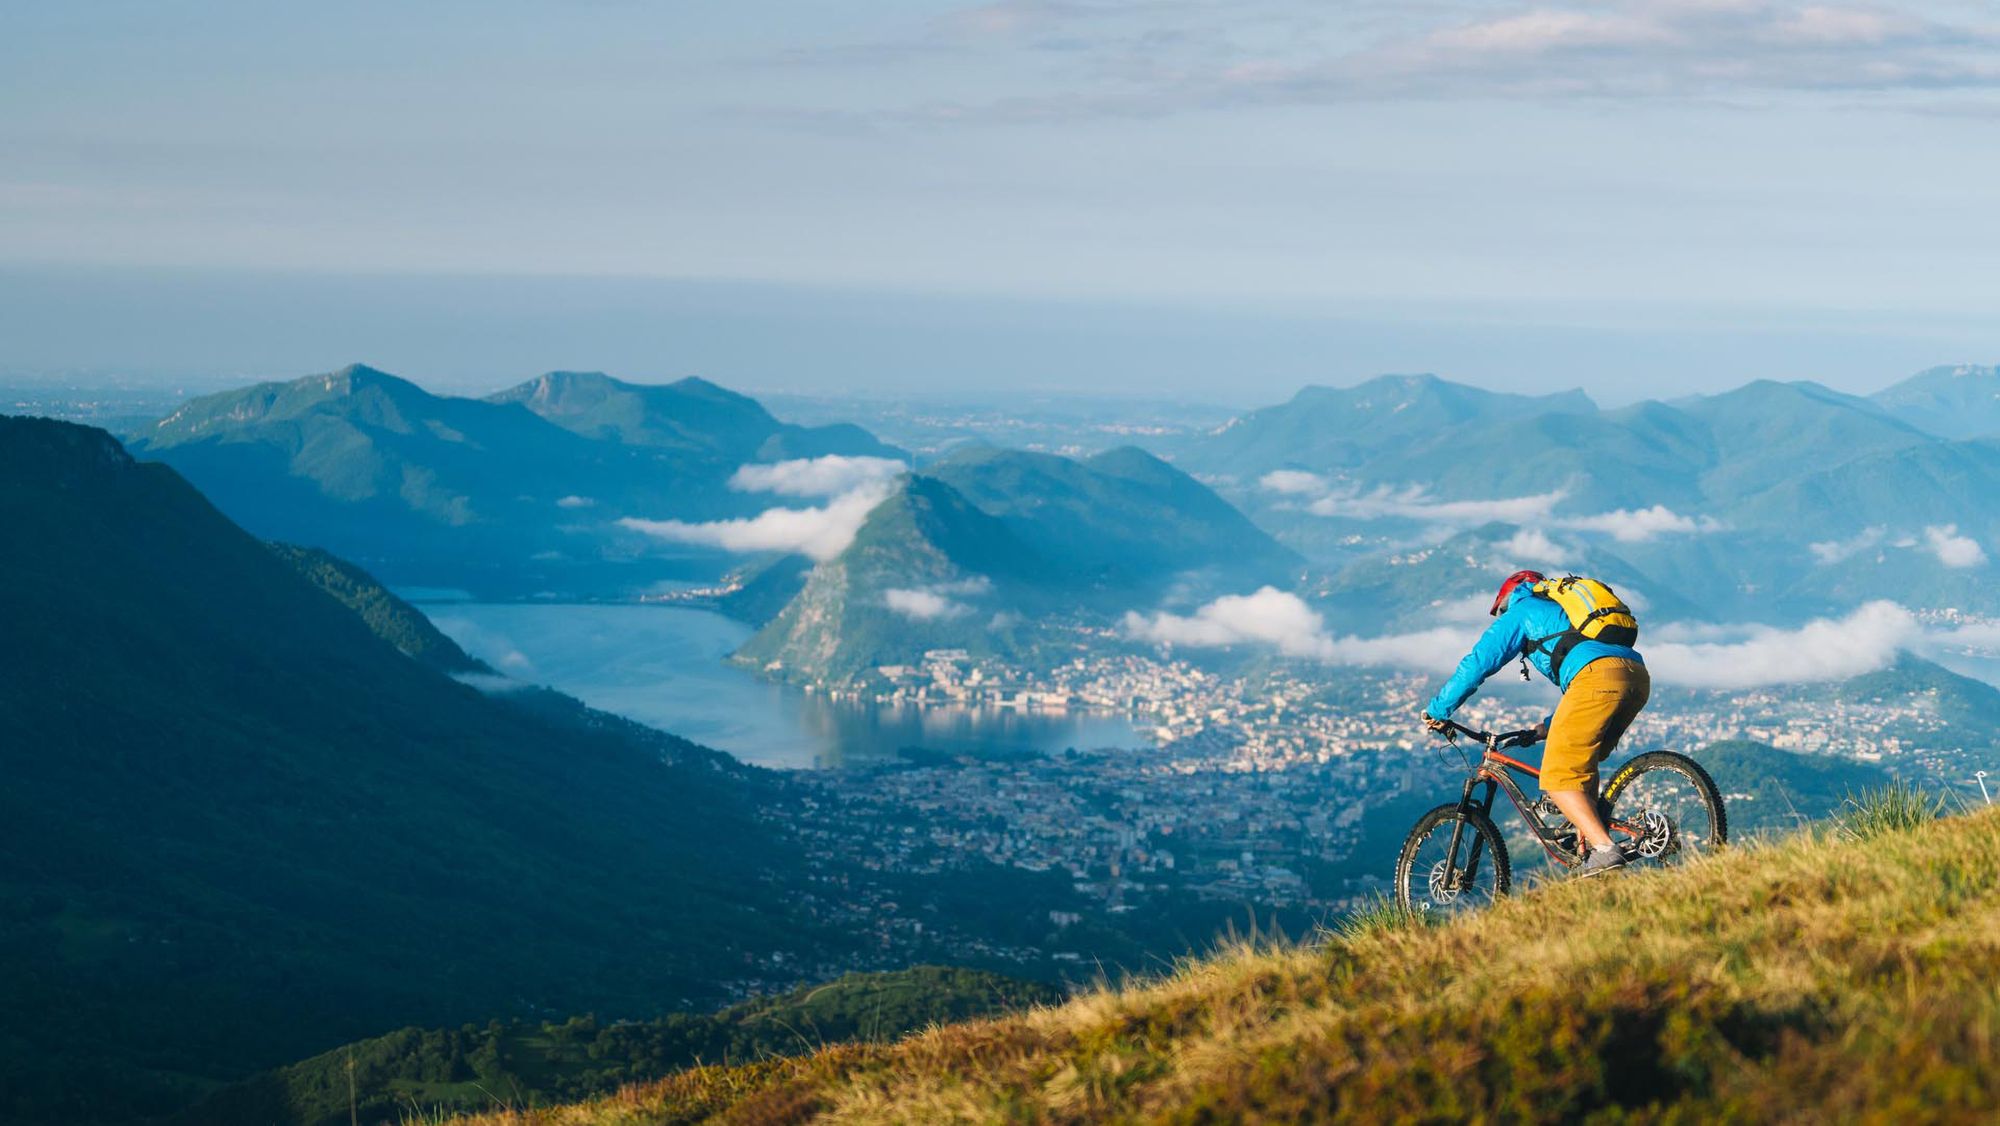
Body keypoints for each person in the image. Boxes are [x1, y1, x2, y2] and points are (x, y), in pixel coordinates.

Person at [1421, 570, 1650, 877]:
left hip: (1597, 678)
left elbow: (1477, 663)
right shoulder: (1564, 612)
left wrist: (1439, 709)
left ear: (1509, 596)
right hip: (1635, 676)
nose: (1501, 616)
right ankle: (1591, 845)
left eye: (1500, 611)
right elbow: (1587, 684)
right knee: (1581, 765)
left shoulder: (1523, 609)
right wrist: (1546, 726)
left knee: (1557, 778)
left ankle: (1606, 849)